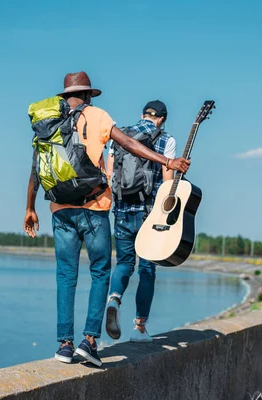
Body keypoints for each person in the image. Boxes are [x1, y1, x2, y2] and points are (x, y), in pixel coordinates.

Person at [23, 72, 190, 367]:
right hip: (95, 208)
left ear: (65, 96)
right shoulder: (97, 116)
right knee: (100, 272)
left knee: (66, 275)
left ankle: (64, 345)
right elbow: (127, 143)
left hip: (59, 210)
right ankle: (89, 342)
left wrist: (30, 208)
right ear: (88, 95)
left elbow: (37, 164)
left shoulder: (49, 120)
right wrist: (167, 161)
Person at [104, 100, 175, 343]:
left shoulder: (120, 136)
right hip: (149, 215)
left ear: (142, 114)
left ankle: (113, 298)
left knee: (124, 263)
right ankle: (140, 328)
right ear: (162, 119)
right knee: (147, 270)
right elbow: (167, 184)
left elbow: (109, 174)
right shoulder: (166, 140)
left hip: (122, 211)